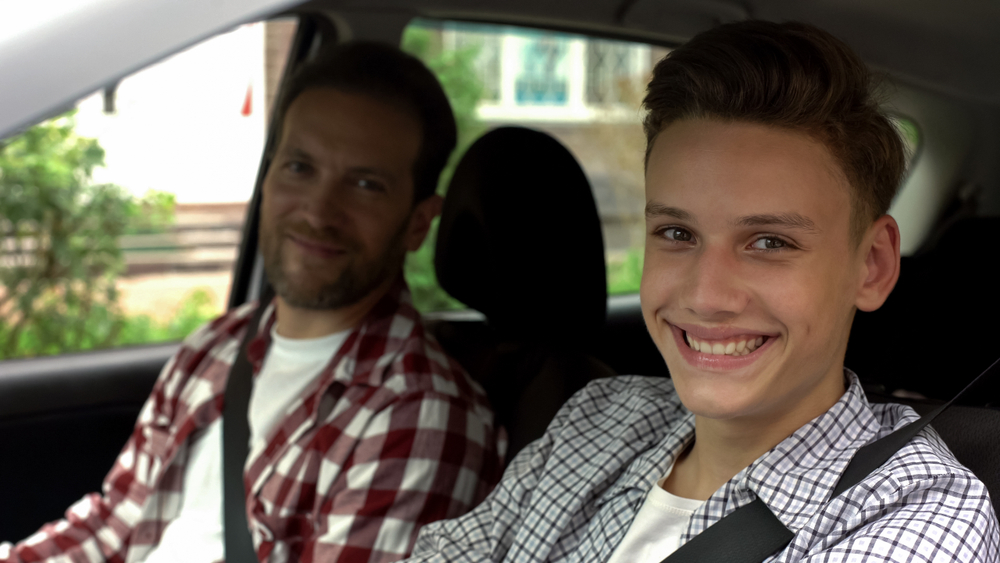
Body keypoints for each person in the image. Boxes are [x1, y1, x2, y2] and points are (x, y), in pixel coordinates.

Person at [403, 21, 998, 562]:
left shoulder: (920, 517)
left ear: (871, 266)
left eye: (769, 243)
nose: (707, 295)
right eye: (677, 232)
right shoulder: (598, 417)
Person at [0, 42, 502, 563]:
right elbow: (115, 523)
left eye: (365, 184)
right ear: (268, 174)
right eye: (300, 167)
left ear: (418, 222)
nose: (318, 211)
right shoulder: (218, 346)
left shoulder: (419, 416)